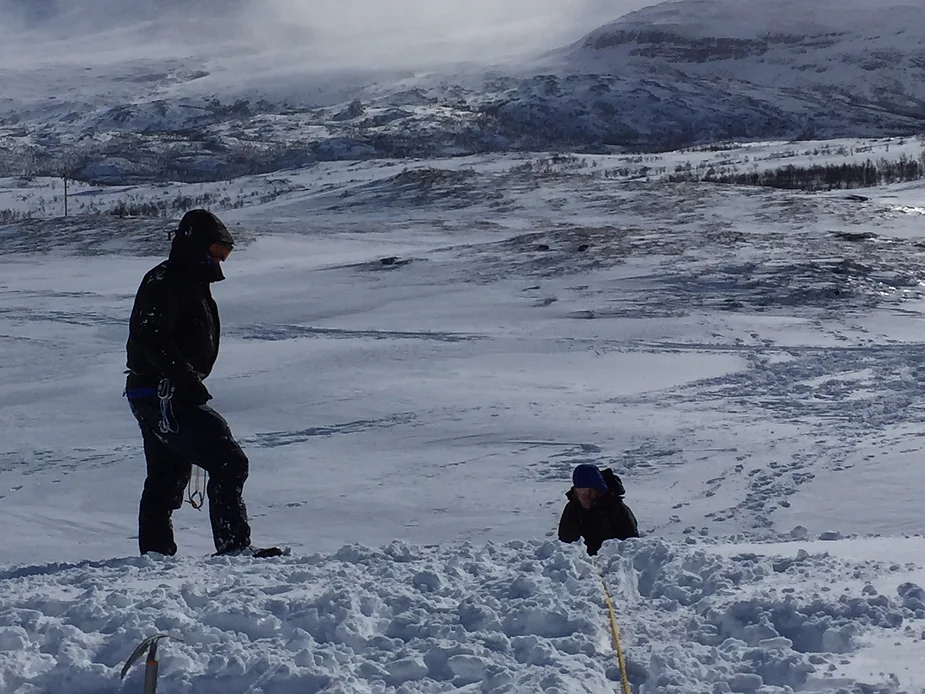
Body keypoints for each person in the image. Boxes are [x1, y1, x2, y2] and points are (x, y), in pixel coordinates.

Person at [124, 209, 279, 558]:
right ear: (195, 245)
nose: (220, 261)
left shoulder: (189, 282)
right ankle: (234, 546)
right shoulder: (165, 281)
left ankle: (155, 557)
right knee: (228, 460)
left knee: (167, 474)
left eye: (225, 255)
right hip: (162, 393)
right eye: (216, 252)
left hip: (159, 391)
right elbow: (153, 338)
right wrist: (186, 379)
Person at [558, 463, 639, 555]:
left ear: (598, 490)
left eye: (588, 493)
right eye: (579, 493)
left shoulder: (617, 509)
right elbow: (565, 544)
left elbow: (632, 547)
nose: (583, 498)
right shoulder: (572, 510)